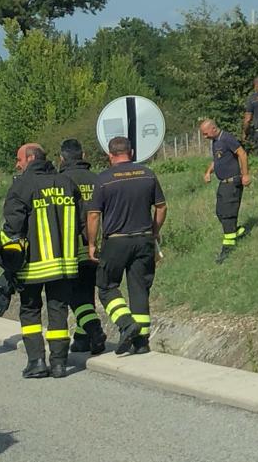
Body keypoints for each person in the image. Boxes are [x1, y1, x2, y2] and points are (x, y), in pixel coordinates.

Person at [0, 142, 82, 379]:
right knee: (58, 311)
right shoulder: (67, 183)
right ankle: (59, 364)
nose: (17, 164)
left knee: (30, 312)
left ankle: (36, 362)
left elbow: (13, 227)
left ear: (31, 158)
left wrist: (0, 253)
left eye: (20, 159)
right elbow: (81, 221)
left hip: (32, 264)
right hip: (64, 263)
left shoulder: (21, 186)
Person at [86, 135, 166, 355]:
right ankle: (141, 342)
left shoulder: (103, 179)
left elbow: (93, 215)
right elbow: (161, 207)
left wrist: (92, 243)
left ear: (110, 155)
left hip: (116, 241)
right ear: (130, 152)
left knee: (106, 286)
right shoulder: (147, 174)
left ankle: (125, 322)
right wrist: (155, 231)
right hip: (143, 239)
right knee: (140, 288)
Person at [57, 138, 107, 355]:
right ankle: (81, 338)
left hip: (72, 247)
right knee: (87, 293)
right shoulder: (98, 179)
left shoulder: (59, 181)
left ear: (61, 158)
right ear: (84, 156)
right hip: (98, 245)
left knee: (75, 296)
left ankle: (94, 331)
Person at [200, 118, 250, 263]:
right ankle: (235, 232)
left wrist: (245, 174)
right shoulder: (215, 142)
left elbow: (242, 153)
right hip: (222, 183)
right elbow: (216, 160)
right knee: (220, 212)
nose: (205, 137)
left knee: (228, 215)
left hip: (232, 182)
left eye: (205, 133)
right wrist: (208, 171)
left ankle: (228, 248)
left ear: (213, 129)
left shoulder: (227, 138)